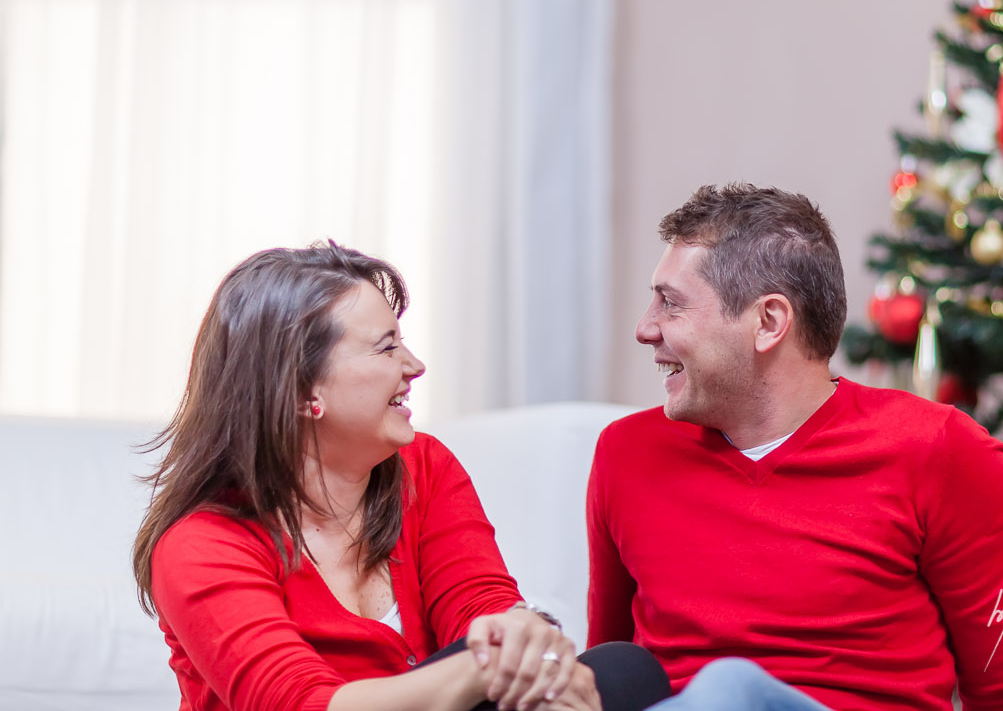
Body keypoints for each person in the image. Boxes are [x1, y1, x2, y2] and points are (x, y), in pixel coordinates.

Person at [587, 184, 1003, 711]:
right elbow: (608, 672)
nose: (644, 328)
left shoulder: (942, 452)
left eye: (671, 304)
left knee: (731, 689)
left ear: (768, 323)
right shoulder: (625, 454)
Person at [133, 242, 668, 711]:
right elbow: (301, 703)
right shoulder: (200, 545)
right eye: (386, 346)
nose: (413, 365)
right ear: (302, 391)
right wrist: (487, 664)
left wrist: (525, 637)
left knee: (624, 670)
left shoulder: (423, 468)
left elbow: (481, 606)